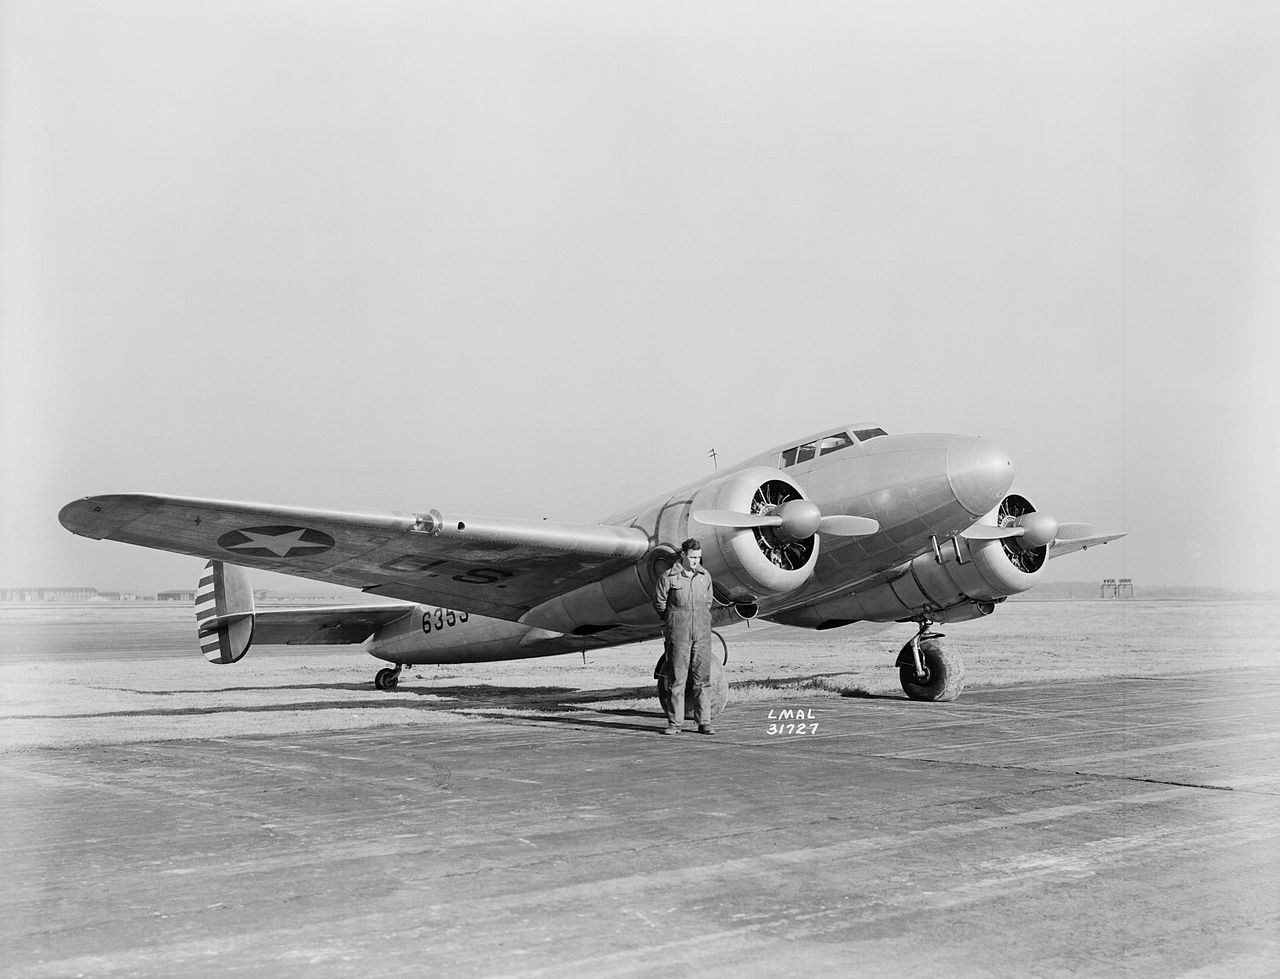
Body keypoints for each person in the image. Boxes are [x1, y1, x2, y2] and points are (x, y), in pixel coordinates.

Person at [653, 537, 716, 735]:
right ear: (683, 555)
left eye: (698, 557)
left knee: (702, 679)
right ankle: (674, 723)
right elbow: (660, 603)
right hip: (678, 634)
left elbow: (708, 603)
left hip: (702, 634)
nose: (696, 561)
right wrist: (674, 620)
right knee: (677, 679)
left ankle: (704, 722)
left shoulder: (704, 576)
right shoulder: (669, 577)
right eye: (692, 557)